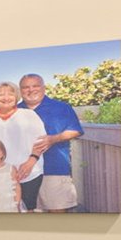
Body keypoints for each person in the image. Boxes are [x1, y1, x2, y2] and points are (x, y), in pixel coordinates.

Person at [19, 73, 85, 212]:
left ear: (43, 88)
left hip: (54, 169)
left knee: (57, 213)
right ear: (20, 90)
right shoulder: (14, 110)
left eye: (35, 86)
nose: (31, 90)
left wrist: (53, 139)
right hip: (23, 172)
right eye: (25, 87)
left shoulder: (61, 107)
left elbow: (75, 130)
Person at [0, 81, 47, 208]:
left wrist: (31, 162)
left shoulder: (29, 115)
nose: (6, 98)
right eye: (1, 94)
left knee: (28, 210)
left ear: (16, 97)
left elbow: (42, 141)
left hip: (28, 172)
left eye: (10, 94)